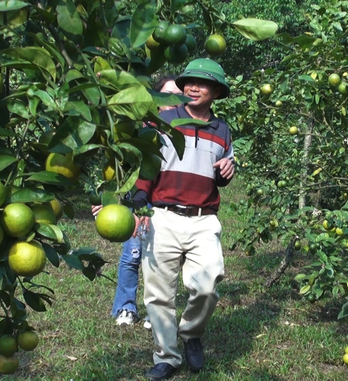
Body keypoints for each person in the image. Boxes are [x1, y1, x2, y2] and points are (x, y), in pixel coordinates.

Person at [132, 58, 235, 380]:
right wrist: (137, 202)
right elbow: (146, 165)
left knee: (208, 284)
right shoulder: (161, 121)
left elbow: (222, 171)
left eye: (202, 83)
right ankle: (167, 357)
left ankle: (191, 333)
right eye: (189, 81)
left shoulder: (222, 130)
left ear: (216, 92)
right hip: (163, 215)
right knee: (158, 293)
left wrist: (227, 173)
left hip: (203, 218)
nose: (193, 87)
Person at [91, 75, 183, 328]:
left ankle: (159, 311)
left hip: (166, 201)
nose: (173, 103)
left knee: (162, 258)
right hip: (138, 199)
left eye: (178, 97)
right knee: (132, 255)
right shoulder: (140, 130)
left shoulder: (182, 130)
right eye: (168, 96)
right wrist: (108, 200)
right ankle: (126, 307)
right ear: (156, 100)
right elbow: (116, 167)